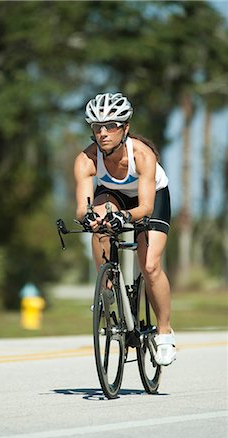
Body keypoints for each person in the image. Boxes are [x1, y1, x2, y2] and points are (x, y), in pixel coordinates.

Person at [74, 92, 176, 366]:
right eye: (97, 127)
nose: (103, 133)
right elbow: (82, 207)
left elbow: (144, 208)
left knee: (151, 265)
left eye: (110, 126)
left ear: (125, 128)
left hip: (150, 198)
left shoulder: (142, 155)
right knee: (98, 221)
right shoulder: (86, 159)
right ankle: (106, 289)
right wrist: (89, 218)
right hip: (113, 194)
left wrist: (121, 217)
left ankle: (164, 332)